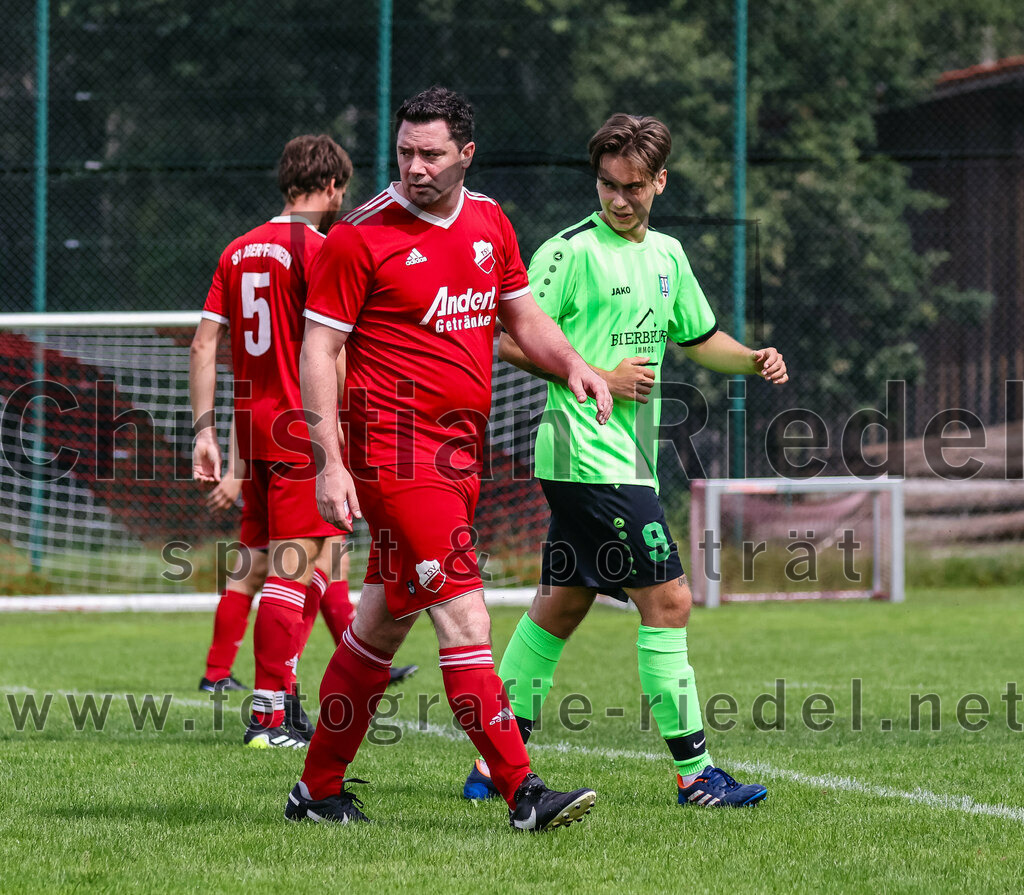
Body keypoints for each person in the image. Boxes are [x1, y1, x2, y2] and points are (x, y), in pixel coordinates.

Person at [285, 86, 613, 831]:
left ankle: (316, 789)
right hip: (395, 455)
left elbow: (521, 314)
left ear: (466, 153)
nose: (415, 166)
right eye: (405, 151)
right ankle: (523, 793)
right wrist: (329, 462)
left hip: (459, 454)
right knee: (465, 615)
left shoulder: (490, 220)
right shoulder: (360, 236)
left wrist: (573, 365)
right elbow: (320, 349)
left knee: (379, 626)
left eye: (431, 154)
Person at [461, 113, 788, 807]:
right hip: (585, 454)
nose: (617, 198)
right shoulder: (568, 252)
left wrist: (752, 359)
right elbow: (507, 338)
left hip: (624, 460)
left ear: (659, 182)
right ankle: (696, 776)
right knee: (669, 600)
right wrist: (597, 375)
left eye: (632, 186)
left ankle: (493, 767)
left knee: (560, 606)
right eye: (607, 184)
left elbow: (699, 338)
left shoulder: (668, 255)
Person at [191, 134, 356, 748]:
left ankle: (284, 698)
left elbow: (203, 344)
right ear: (333, 185)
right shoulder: (322, 248)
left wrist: (204, 433)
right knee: (295, 569)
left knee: (304, 561)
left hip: (252, 432)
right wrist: (345, 432)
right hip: (302, 433)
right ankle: (268, 716)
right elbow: (332, 350)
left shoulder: (236, 249)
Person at [198, 419, 418, 695]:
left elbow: (242, 402)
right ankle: (286, 680)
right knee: (321, 556)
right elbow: (334, 398)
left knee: (259, 564)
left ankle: (219, 673)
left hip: (261, 445)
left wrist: (235, 469)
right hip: (303, 449)